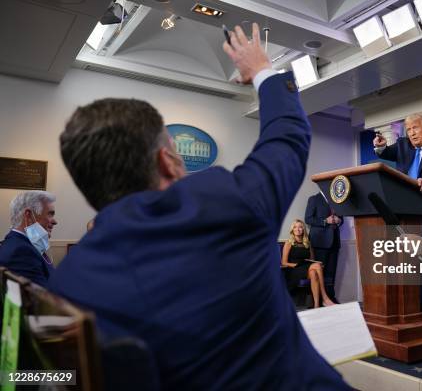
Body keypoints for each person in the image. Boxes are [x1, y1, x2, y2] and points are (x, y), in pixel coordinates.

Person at [49, 23, 350, 390]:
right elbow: (287, 138)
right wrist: (262, 72)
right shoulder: (225, 203)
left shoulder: (67, 288)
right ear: (167, 161)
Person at [373, 113, 422, 328]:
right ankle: (419, 323)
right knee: (415, 278)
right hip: (409, 220)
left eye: (415, 128)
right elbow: (386, 151)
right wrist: (380, 147)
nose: (411, 133)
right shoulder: (403, 146)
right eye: (408, 130)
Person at [0, 191, 57, 287]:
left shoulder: (18, 242)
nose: (55, 221)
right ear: (28, 215)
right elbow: (45, 298)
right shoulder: (22, 252)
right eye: (50, 214)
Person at [282, 219, 336, 308]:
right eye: (295, 227)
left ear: (303, 229)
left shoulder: (307, 243)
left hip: (306, 267)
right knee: (317, 266)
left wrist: (314, 263)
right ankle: (325, 298)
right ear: (292, 230)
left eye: (300, 227)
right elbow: (284, 262)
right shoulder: (288, 243)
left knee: (314, 272)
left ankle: (316, 305)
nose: (298, 229)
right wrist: (296, 265)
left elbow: (311, 260)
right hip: (294, 270)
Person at [305, 191, 343, 303]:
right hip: (320, 242)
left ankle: (331, 298)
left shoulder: (337, 199)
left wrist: (339, 220)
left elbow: (342, 219)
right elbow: (308, 219)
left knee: (331, 273)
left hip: (335, 242)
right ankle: (319, 299)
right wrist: (325, 221)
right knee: (320, 272)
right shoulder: (313, 198)